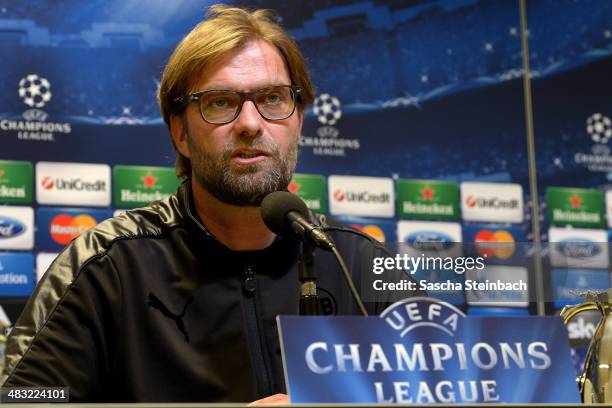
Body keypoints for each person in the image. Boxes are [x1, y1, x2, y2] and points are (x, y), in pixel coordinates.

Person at [1, 5, 417, 403]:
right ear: (180, 133)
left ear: (299, 121)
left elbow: (457, 391)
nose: (251, 124)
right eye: (220, 102)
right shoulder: (106, 268)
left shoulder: (358, 264)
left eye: (273, 98)